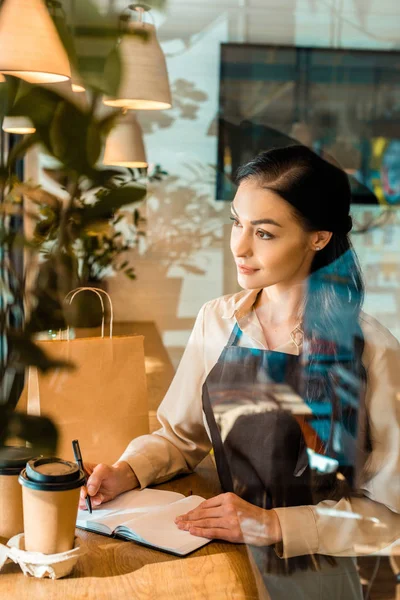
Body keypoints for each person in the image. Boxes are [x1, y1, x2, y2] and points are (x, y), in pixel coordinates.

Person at [80, 146, 400, 599]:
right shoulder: (217, 321)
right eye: (237, 222)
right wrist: (127, 472)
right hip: (220, 557)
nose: (240, 246)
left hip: (324, 579)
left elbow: (392, 515)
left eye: (264, 233)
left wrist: (273, 524)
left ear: (319, 238)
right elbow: (179, 436)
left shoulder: (374, 350)